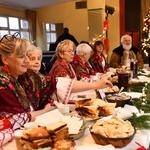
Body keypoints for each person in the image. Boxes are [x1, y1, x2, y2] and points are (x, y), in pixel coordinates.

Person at [0, 33, 56, 130]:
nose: (27, 60)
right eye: (22, 57)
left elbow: (52, 81)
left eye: (27, 56)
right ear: (5, 59)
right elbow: (17, 119)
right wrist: (45, 110)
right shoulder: (3, 83)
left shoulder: (23, 76)